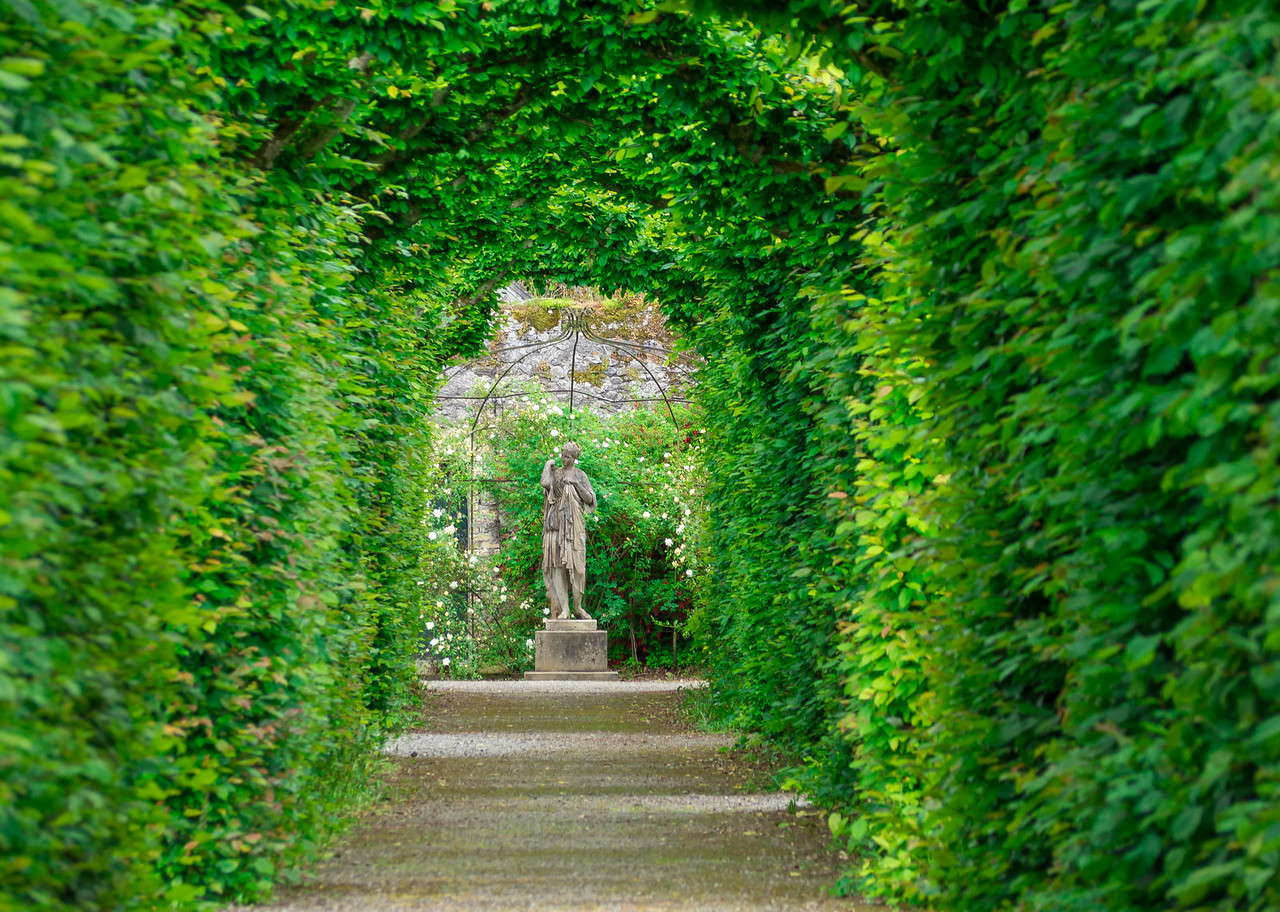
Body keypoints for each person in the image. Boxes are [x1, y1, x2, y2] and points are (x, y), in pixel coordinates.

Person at [541, 441, 596, 620]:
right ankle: (564, 609)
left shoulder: (580, 475)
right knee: (558, 566)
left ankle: (577, 608)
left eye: (567, 456)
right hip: (558, 525)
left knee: (578, 568)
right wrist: (547, 466)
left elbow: (589, 499)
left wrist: (575, 484)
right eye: (562, 455)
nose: (563, 459)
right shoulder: (556, 475)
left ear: (574, 458)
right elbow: (545, 484)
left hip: (575, 526)